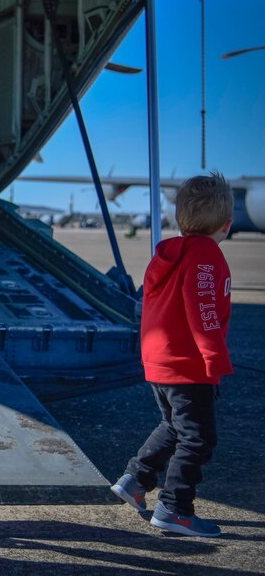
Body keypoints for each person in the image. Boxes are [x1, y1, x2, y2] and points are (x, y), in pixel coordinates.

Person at [109, 173, 234, 538]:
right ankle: (175, 508)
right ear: (226, 225)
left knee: (174, 427)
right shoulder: (206, 256)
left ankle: (136, 479)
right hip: (188, 364)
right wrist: (214, 358)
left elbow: (153, 308)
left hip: (159, 362)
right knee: (198, 439)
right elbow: (204, 310)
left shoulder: (166, 254)